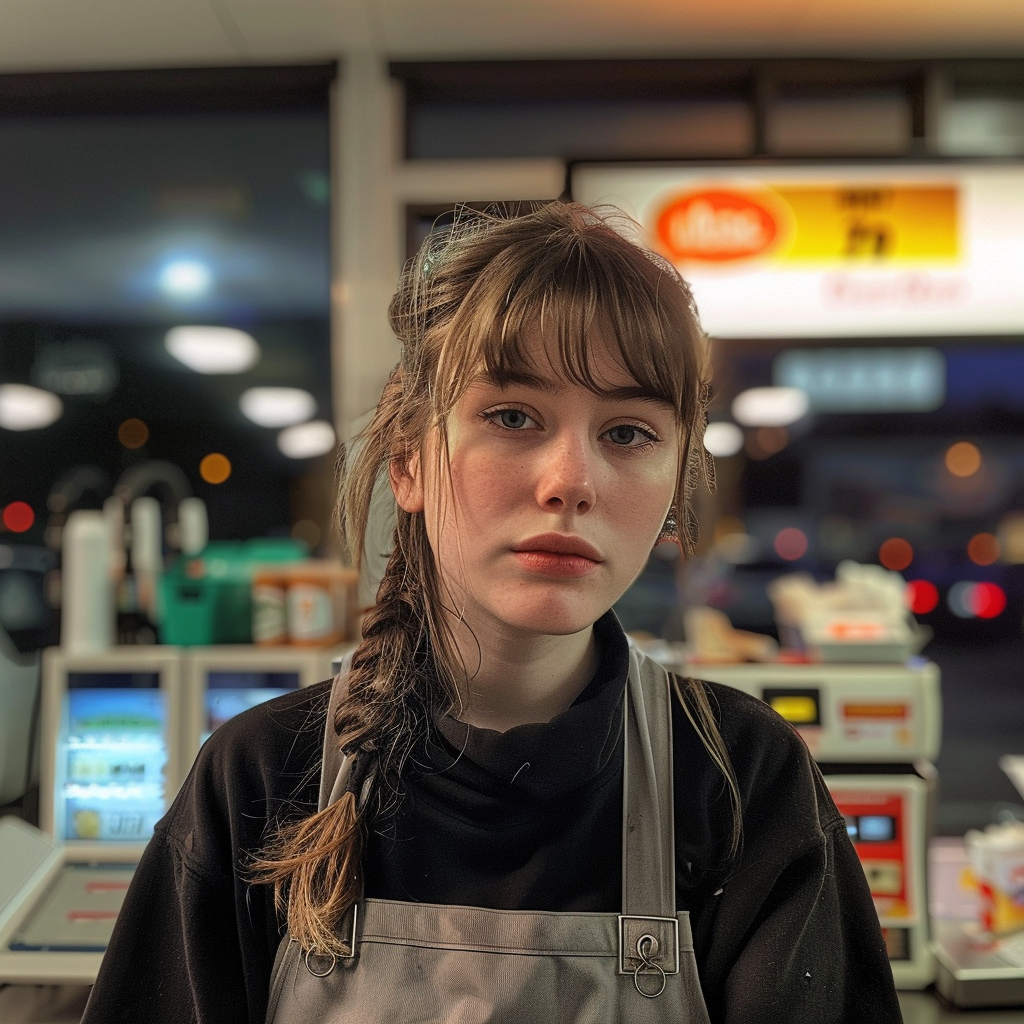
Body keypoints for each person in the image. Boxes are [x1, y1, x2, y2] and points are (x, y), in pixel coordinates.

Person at [82, 202, 902, 1024]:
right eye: (512, 417)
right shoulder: (261, 780)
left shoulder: (741, 781)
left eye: (627, 432)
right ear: (407, 461)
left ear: (675, 490)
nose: (569, 480)